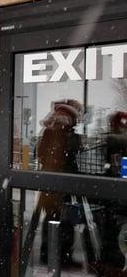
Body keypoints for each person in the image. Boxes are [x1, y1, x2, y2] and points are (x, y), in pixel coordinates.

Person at [35, 99, 83, 264]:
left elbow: (40, 154)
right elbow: (65, 159)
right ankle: (58, 256)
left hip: (52, 185)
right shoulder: (62, 134)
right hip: (59, 185)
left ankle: (50, 255)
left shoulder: (49, 131)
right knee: (61, 220)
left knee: (54, 219)